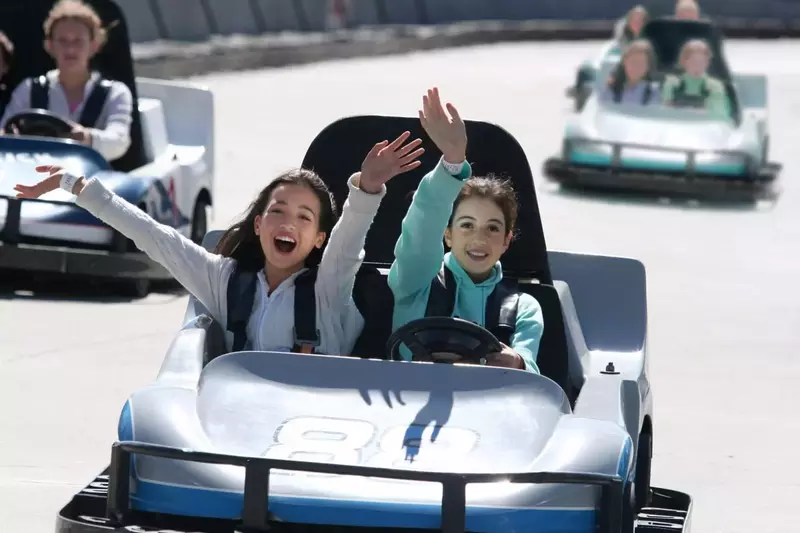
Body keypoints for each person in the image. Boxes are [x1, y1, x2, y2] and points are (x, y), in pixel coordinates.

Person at [13, 131, 426, 357]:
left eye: (304, 217)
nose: (288, 223)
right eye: (278, 212)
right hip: (240, 421)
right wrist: (76, 185)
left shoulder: (329, 290)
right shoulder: (223, 279)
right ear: (260, 224)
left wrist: (368, 188)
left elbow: (349, 240)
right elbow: (155, 238)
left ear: (319, 239)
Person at [388, 87, 544, 372]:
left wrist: (517, 363)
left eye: (493, 229)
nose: (479, 238)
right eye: (467, 225)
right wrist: (452, 162)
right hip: (407, 402)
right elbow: (420, 232)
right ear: (447, 233)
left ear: (507, 240)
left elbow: (528, 368)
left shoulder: (523, 308)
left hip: (487, 409)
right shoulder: (416, 283)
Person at [0, 0, 133, 162]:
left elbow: (119, 140)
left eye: (78, 41)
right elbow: (4, 129)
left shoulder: (116, 93)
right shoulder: (28, 89)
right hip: (34, 177)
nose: (70, 49)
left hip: (90, 181)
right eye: (62, 41)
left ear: (94, 45)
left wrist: (87, 138)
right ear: (49, 46)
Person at [662, 39, 730, 120]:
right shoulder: (672, 83)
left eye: (701, 62)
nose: (697, 67)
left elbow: (720, 113)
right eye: (693, 62)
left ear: (707, 63)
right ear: (684, 61)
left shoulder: (715, 86)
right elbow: (665, 113)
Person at [600, 39, 659, 105]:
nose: (636, 67)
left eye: (641, 64)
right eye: (633, 62)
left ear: (648, 67)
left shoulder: (652, 92)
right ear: (625, 61)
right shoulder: (611, 88)